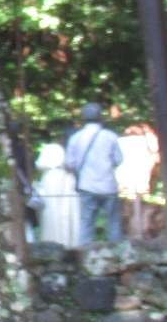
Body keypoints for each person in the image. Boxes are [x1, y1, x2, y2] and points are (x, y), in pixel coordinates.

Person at [65, 102, 125, 242]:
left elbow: (69, 164)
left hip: (86, 185)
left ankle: (85, 256)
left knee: (86, 223)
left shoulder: (76, 138)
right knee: (113, 222)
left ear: (83, 118)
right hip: (108, 185)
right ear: (100, 117)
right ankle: (117, 255)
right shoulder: (110, 136)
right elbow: (118, 159)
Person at [34, 141, 82, 247]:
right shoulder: (67, 175)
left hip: (50, 182)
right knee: (64, 212)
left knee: (51, 213)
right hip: (64, 180)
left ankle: (52, 240)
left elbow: (39, 164)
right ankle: (67, 241)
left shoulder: (48, 176)